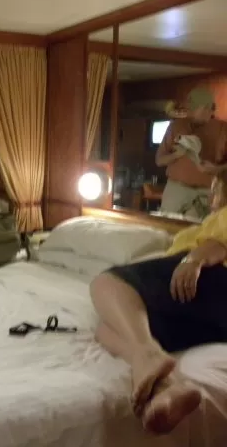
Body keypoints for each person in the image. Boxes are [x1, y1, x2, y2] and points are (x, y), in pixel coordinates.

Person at [89, 170, 227, 435]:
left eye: (215, 190)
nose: (211, 197)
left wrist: (193, 259)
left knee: (107, 283)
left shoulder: (221, 217)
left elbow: (219, 243)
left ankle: (149, 355)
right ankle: (168, 388)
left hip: (213, 280)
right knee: (109, 327)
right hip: (214, 314)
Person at [156, 87, 227, 219]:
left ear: (209, 108)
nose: (190, 113)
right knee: (166, 226)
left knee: (197, 229)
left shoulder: (223, 129)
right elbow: (159, 160)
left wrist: (216, 169)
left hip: (205, 193)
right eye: (190, 108)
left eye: (195, 109)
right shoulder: (176, 126)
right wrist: (177, 155)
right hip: (176, 190)